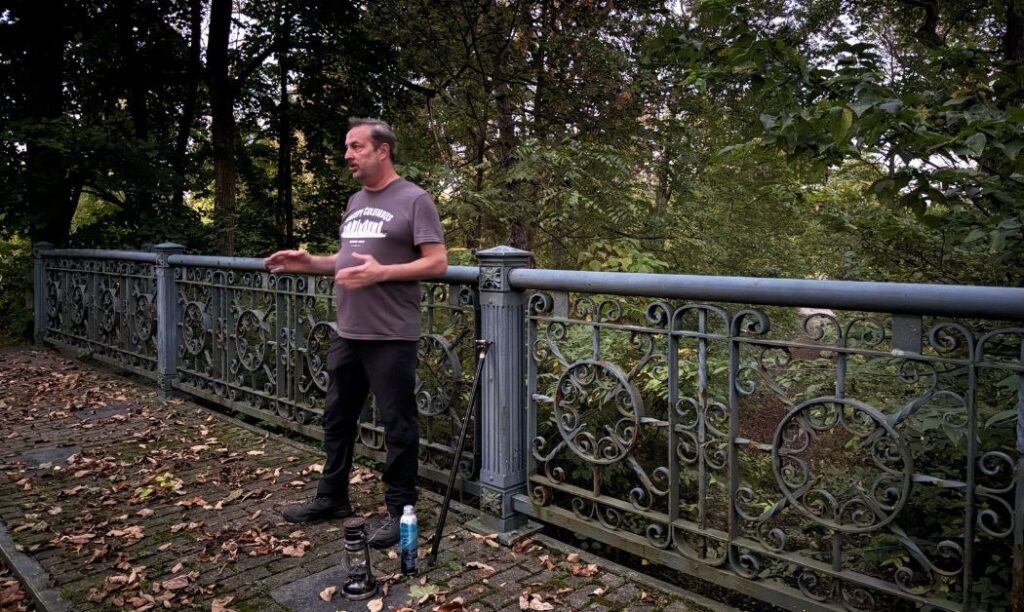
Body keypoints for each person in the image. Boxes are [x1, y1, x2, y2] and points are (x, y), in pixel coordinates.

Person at [264, 118, 447, 548]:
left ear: (382, 151)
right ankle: (332, 498)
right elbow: (347, 259)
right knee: (337, 419)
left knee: (398, 427)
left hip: (391, 334)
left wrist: (385, 273)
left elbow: (436, 262)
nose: (348, 154)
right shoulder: (354, 200)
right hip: (348, 330)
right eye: (347, 147)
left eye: (356, 146)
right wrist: (308, 262)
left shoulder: (415, 200)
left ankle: (401, 513)